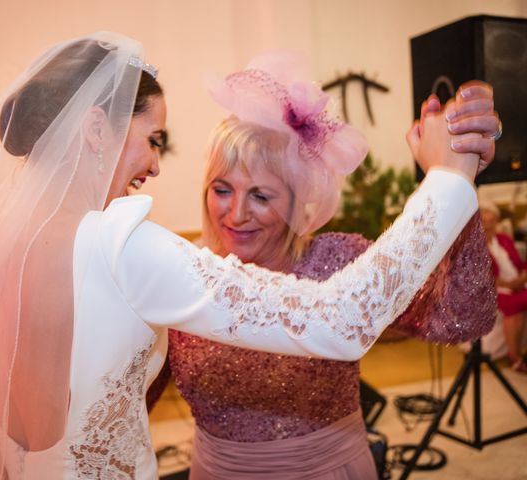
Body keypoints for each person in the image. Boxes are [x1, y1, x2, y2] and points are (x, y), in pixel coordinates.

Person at [0, 33, 488, 480]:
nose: (157, 164)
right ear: (94, 127)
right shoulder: (120, 242)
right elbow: (336, 319)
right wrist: (448, 178)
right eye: (154, 138)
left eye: (261, 194)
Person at [166, 51, 499, 479]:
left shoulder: (338, 260)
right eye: (222, 189)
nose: (235, 214)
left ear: (295, 200)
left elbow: (463, 319)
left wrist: (456, 184)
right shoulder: (180, 271)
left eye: (261, 196)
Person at [480, 201, 527, 373]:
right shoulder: (478, 246)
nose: (488, 226)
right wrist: (510, 284)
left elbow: (521, 264)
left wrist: (521, 278)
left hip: (517, 283)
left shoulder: (505, 240)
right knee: (515, 305)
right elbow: (487, 277)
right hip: (497, 288)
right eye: (484, 222)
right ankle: (514, 357)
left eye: (492, 221)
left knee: (522, 302)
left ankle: (517, 354)